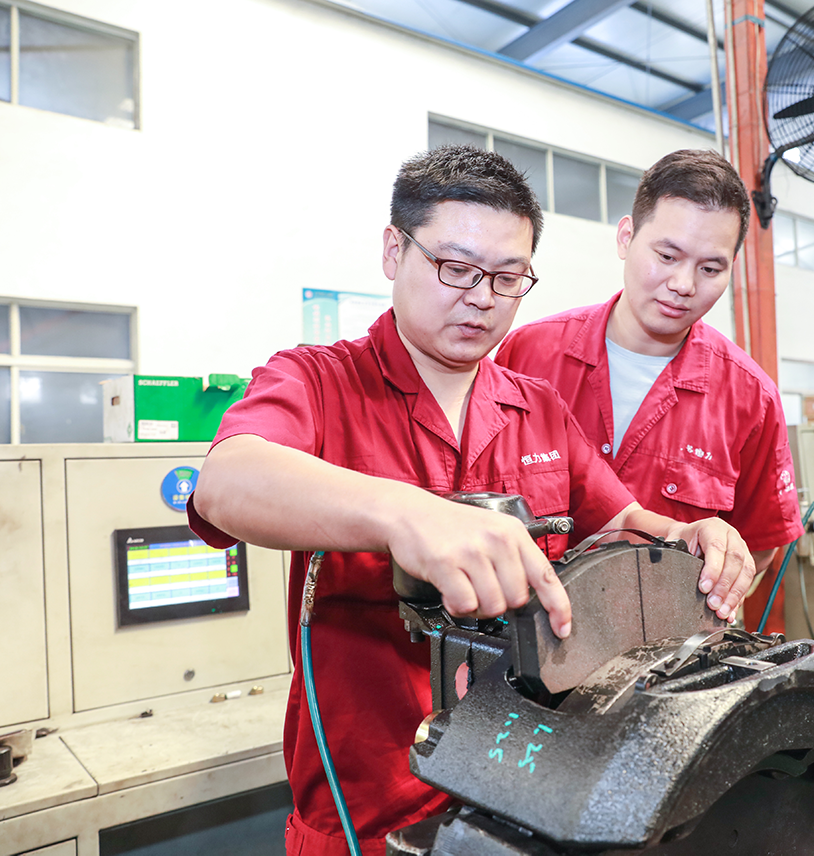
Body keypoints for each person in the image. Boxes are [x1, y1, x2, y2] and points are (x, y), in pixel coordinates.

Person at [187, 145, 755, 855]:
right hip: (365, 815)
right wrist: (408, 514)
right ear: (394, 251)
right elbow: (226, 482)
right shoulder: (318, 382)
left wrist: (693, 535)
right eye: (456, 268)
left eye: (509, 277)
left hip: (521, 798)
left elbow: (627, 524)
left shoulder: (537, 409)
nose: (483, 298)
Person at [496, 149, 801, 582]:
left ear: (731, 267)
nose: (683, 285)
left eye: (710, 268)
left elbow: (756, 548)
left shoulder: (751, 398)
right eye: (667, 256)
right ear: (626, 237)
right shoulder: (527, 355)